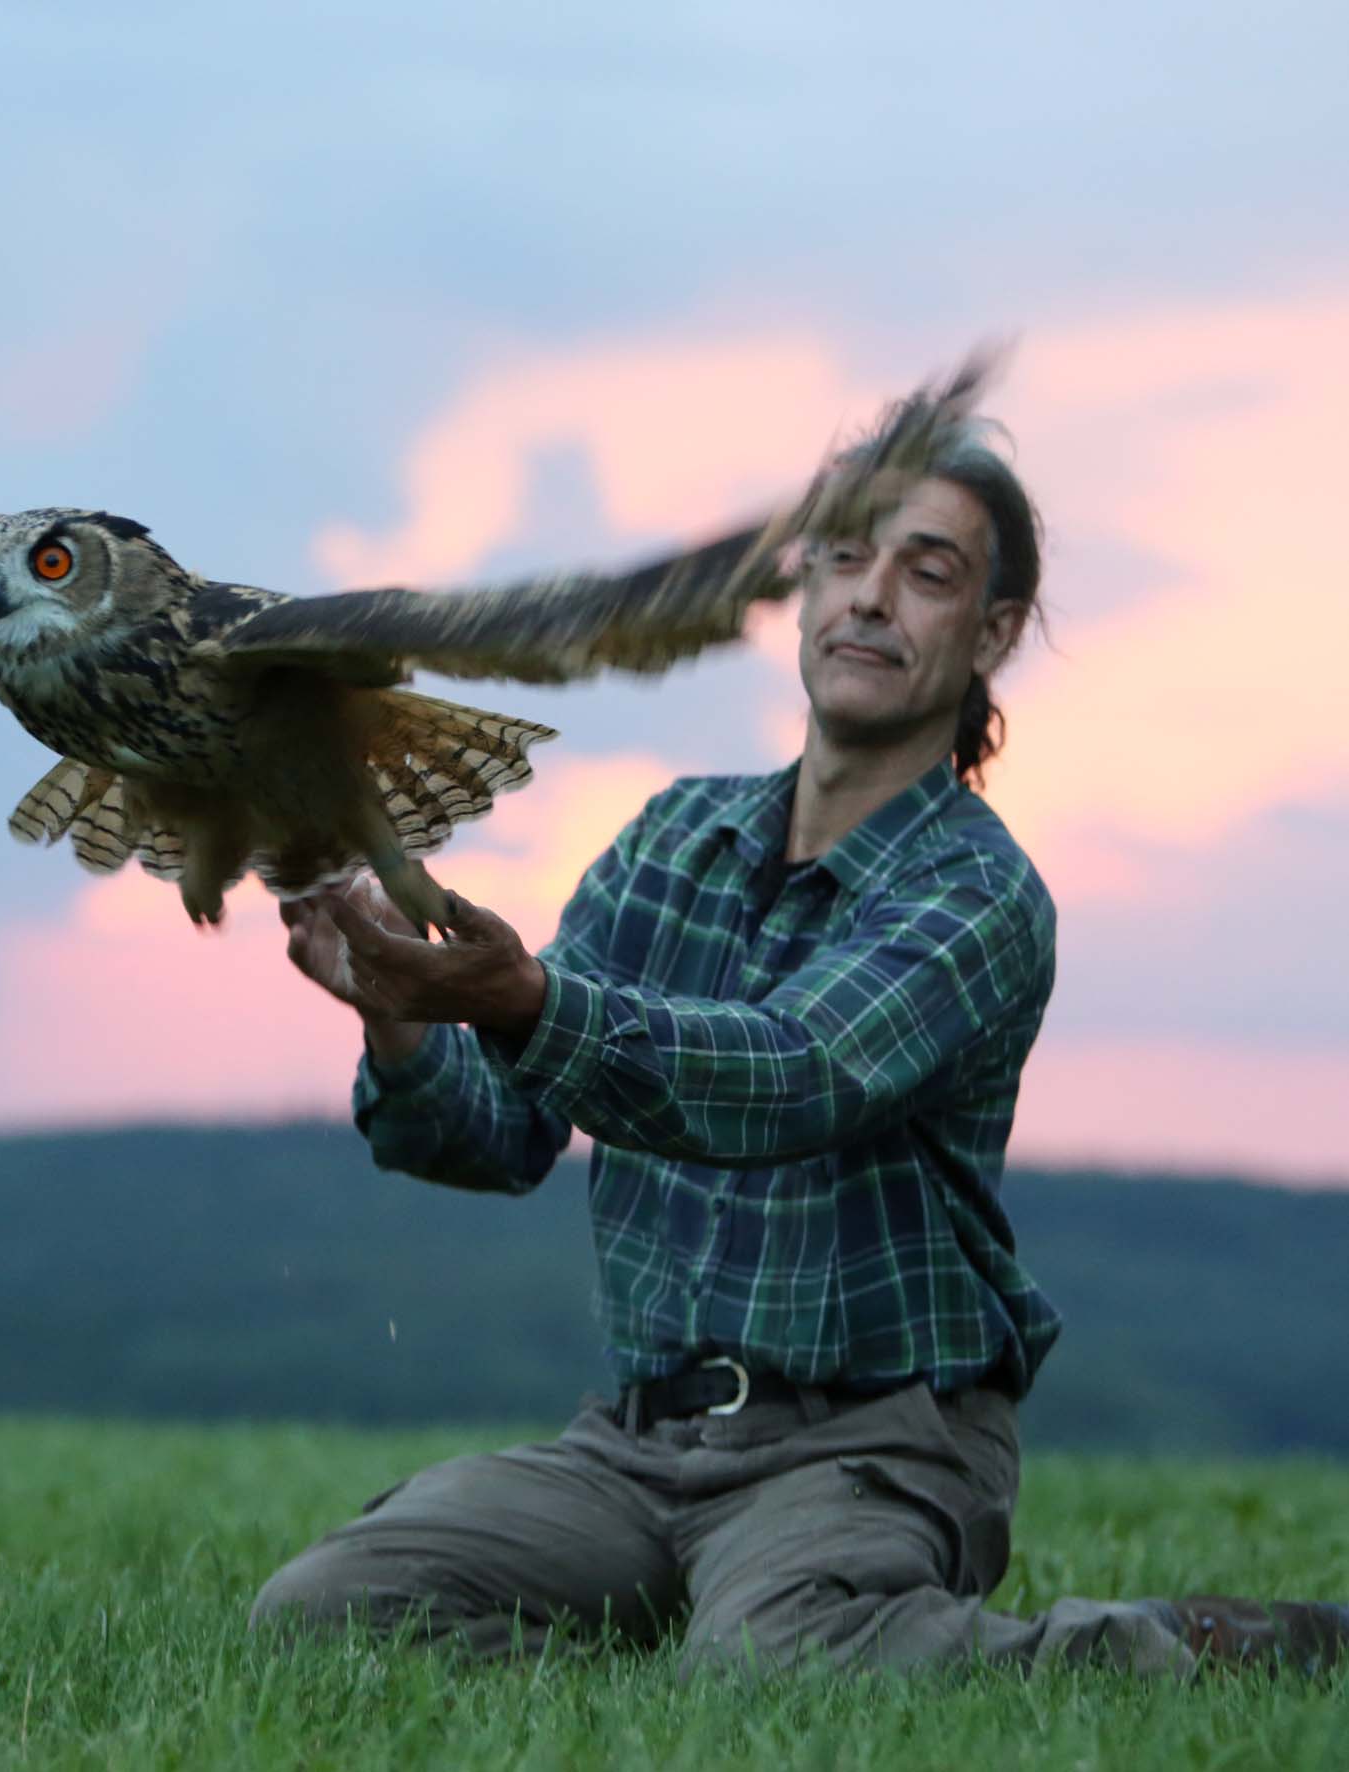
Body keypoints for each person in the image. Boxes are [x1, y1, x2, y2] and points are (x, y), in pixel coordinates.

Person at [251, 411, 1348, 1678]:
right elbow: (497, 1136)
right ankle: (691, 1653)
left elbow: (790, 1075)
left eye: (926, 570)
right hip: (639, 1444)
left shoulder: (979, 894)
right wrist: (397, 1008)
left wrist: (524, 1003)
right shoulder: (671, 840)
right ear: (805, 588)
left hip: (869, 1440)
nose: (870, 596)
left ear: (992, 632)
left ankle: (1183, 1644)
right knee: (323, 1609)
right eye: (843, 556)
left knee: (759, 1665)